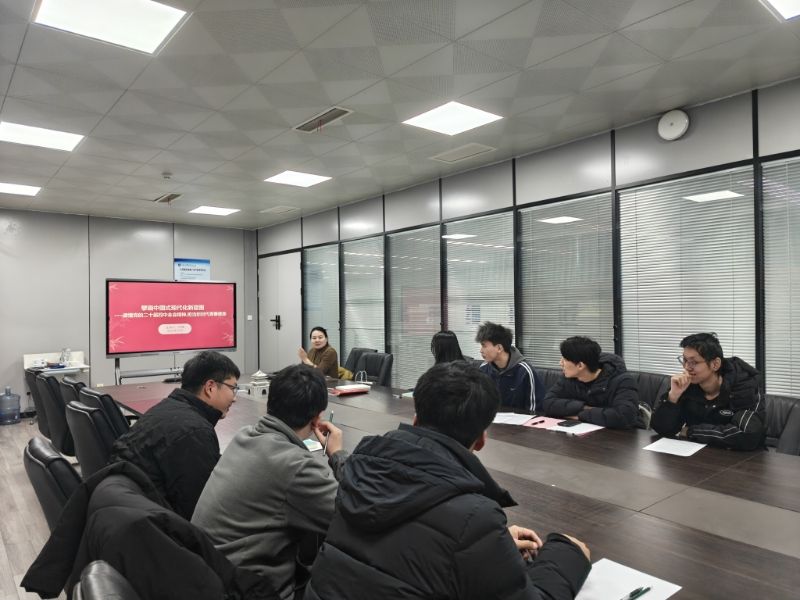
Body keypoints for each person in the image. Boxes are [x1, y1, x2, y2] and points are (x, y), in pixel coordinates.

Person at [303, 361, 591, 600]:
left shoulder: (358, 470)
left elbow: (411, 545)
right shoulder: (474, 516)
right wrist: (567, 552)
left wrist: (492, 544)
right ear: (481, 440)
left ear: (415, 420)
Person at [192, 364, 348, 600]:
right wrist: (337, 455)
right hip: (245, 589)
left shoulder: (245, 435)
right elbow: (353, 514)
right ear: (317, 418)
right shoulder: (295, 465)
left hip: (206, 576)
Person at [108, 350, 240, 520]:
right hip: (150, 525)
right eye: (233, 388)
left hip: (125, 512)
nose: (234, 398)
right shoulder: (194, 432)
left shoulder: (167, 408)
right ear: (210, 387)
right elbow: (200, 512)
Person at [651, 332, 765, 451]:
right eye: (684, 360)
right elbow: (662, 429)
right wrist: (673, 397)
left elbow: (747, 435)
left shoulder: (745, 386)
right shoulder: (687, 385)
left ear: (715, 364)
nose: (686, 367)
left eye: (693, 362)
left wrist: (692, 431)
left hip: (743, 459)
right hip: (696, 455)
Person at [541, 336, 639, 429]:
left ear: (580, 365)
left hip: (619, 437)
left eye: (565, 360)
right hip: (580, 434)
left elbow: (625, 417)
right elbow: (547, 403)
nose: (560, 363)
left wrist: (580, 415)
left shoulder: (623, 381)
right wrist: (583, 408)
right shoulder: (568, 378)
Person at [476, 321, 545, 413]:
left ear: (499, 348)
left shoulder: (525, 371)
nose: (481, 350)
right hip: (492, 419)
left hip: (520, 421)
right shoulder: (483, 369)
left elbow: (535, 410)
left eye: (484, 346)